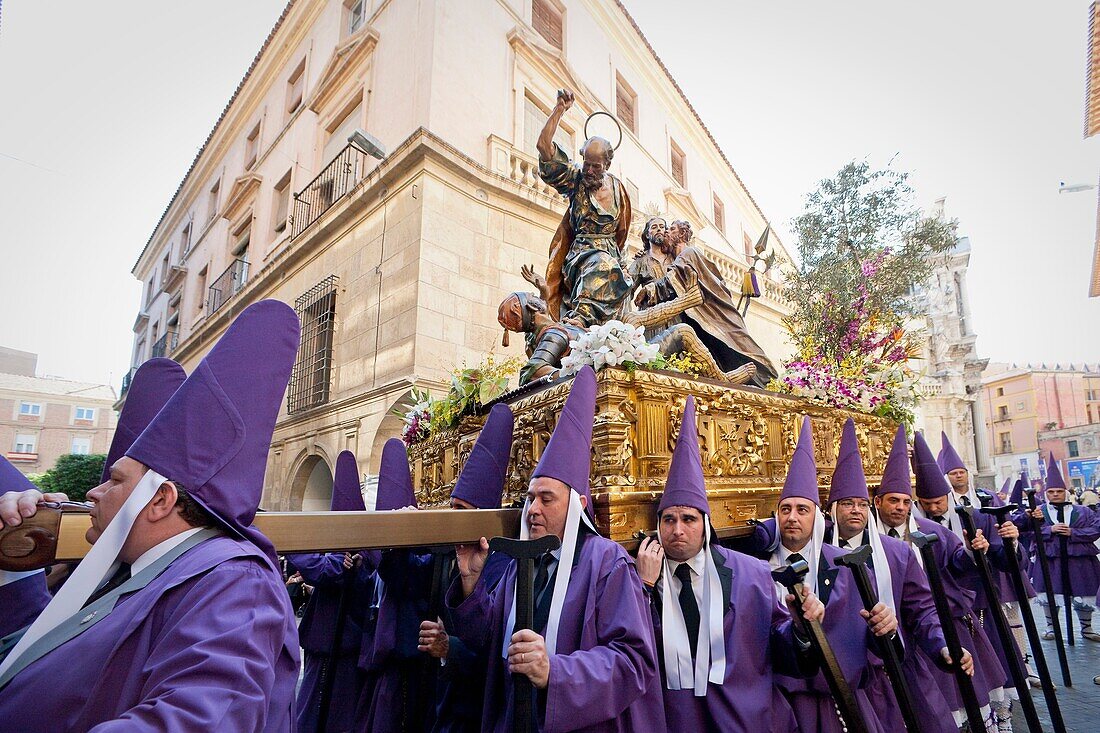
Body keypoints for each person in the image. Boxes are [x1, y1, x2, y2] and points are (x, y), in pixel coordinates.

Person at [0, 300, 301, 732]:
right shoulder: (131, 569)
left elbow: (200, 721)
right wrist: (11, 562)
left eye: (115, 482)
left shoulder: (234, 580)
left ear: (160, 500)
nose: (93, 491)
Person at [446, 366, 664, 732]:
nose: (532, 509)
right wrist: (470, 580)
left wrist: (555, 671)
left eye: (546, 499)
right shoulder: (521, 563)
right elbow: (487, 641)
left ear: (577, 504)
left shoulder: (607, 563)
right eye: (530, 498)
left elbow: (633, 661)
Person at [634, 396, 819, 730]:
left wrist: (803, 629)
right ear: (658, 526)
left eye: (688, 519)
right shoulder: (641, 579)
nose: (678, 530)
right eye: (669, 520)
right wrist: (643, 590)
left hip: (743, 718)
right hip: (675, 720)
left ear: (705, 525)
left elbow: (782, 652)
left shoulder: (752, 574)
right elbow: (630, 648)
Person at [728, 416, 898, 732]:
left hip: (837, 701)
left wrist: (887, 629)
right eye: (785, 509)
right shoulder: (754, 567)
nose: (792, 517)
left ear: (817, 517)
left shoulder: (847, 565)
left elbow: (877, 639)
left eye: (802, 509)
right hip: (776, 701)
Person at [826, 419, 961, 733]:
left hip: (896, 667)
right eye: (847, 503)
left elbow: (922, 609)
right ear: (833, 508)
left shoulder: (897, 552)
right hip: (845, 676)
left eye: (860, 504)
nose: (855, 511)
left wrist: (942, 645)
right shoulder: (818, 553)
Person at [418, 403, 515, 733]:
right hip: (445, 704)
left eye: (462, 511)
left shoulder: (504, 566)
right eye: (452, 508)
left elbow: (494, 653)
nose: (453, 519)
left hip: (479, 712)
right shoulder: (451, 554)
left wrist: (450, 648)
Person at [909, 431, 1009, 731]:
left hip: (966, 612)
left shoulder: (963, 521)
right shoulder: (915, 528)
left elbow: (959, 561)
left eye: (939, 502)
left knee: (978, 684)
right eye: (927, 503)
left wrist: (972, 550)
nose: (935, 508)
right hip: (926, 623)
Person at [934, 433, 1024, 730]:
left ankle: (1002, 720)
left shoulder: (983, 506)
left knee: (997, 665)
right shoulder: (925, 520)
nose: (957, 476)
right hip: (945, 609)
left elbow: (1002, 557)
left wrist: (1010, 544)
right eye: (952, 473)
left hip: (983, 598)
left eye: (961, 472)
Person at [288, 449, 377, 733]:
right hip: (323, 648)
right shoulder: (340, 558)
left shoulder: (361, 561)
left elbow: (324, 570)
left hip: (344, 652)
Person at [632, 219, 776, 387]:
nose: (664, 232)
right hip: (660, 320)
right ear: (647, 233)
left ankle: (762, 374)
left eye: (669, 229)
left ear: (682, 234)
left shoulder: (689, 253)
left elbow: (674, 277)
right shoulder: (651, 259)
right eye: (657, 228)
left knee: (734, 344)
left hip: (702, 313)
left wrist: (650, 289)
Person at [537, 89, 633, 329]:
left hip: (610, 255)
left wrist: (620, 262)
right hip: (581, 255)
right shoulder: (575, 180)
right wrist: (559, 110)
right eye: (587, 164)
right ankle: (581, 317)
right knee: (602, 264)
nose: (589, 171)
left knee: (615, 272)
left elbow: (621, 233)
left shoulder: (619, 190)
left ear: (607, 164)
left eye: (596, 167)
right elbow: (544, 147)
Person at [355, 438, 432, 733]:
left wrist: (401, 543)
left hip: (407, 659)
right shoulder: (382, 554)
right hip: (380, 659)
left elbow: (405, 580)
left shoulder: (423, 550)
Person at [1022, 454, 1100, 643]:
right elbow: (1027, 533)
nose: (1055, 494)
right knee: (1049, 593)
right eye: (1051, 491)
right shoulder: (1037, 512)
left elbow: (1096, 529)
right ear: (1046, 493)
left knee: (1084, 592)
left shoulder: (1084, 511)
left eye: (1059, 491)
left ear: (1065, 492)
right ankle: (1051, 628)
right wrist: (1050, 530)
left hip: (1079, 560)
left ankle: (1086, 628)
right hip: (1050, 560)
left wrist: (1072, 532)